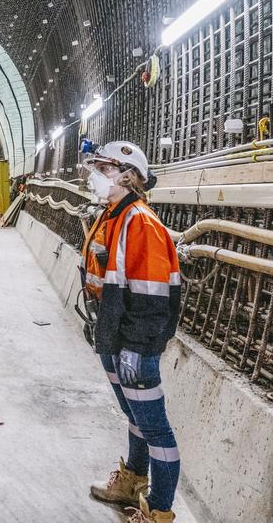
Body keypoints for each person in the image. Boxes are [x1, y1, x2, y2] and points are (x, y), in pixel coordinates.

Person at [81, 140, 181, 523]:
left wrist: (135, 348)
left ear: (128, 176)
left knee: (155, 428)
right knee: (134, 415)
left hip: (133, 341)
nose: (96, 177)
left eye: (103, 170)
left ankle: (159, 510)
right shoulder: (114, 215)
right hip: (113, 331)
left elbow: (153, 296)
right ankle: (133, 481)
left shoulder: (141, 222)